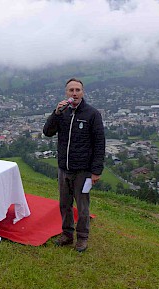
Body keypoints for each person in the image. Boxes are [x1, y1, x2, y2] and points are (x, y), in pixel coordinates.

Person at [43, 78, 105, 252]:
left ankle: (82, 238)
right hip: (64, 168)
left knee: (83, 206)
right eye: (71, 90)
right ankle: (67, 234)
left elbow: (100, 143)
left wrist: (96, 171)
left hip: (83, 170)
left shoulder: (92, 114)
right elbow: (47, 132)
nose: (74, 93)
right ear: (66, 93)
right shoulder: (62, 112)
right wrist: (55, 113)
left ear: (83, 93)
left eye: (78, 90)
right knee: (64, 204)